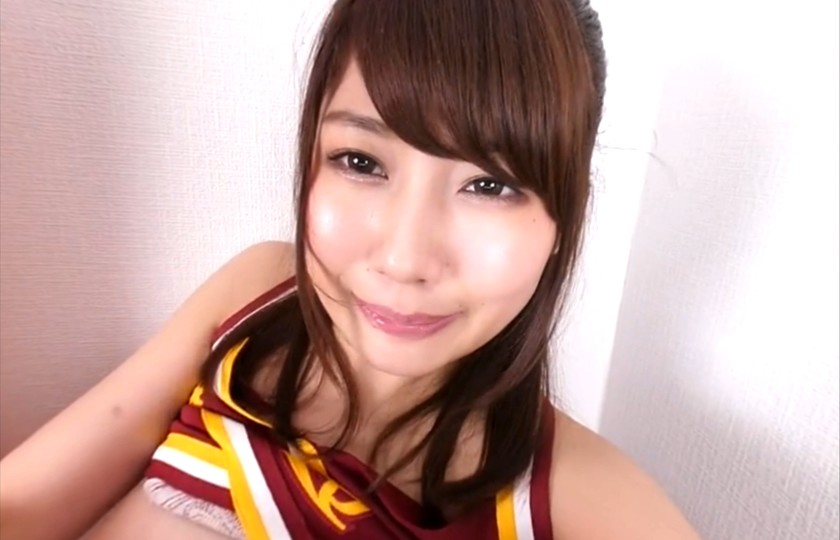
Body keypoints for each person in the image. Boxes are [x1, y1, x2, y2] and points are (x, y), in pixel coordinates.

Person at [0, 0, 700, 538]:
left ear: (565, 217)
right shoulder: (257, 295)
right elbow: (22, 505)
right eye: (360, 162)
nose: (403, 258)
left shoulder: (585, 500)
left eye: (490, 185)